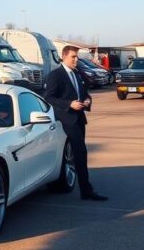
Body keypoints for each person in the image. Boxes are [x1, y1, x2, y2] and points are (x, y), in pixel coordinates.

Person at [44, 45, 108, 201]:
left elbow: (85, 93)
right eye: (73, 57)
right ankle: (86, 190)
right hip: (66, 119)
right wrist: (69, 104)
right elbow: (49, 98)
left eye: (77, 57)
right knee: (80, 153)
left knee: (80, 153)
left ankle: (85, 189)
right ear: (64, 56)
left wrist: (87, 101)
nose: (76, 60)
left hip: (79, 118)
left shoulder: (77, 73)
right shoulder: (56, 75)